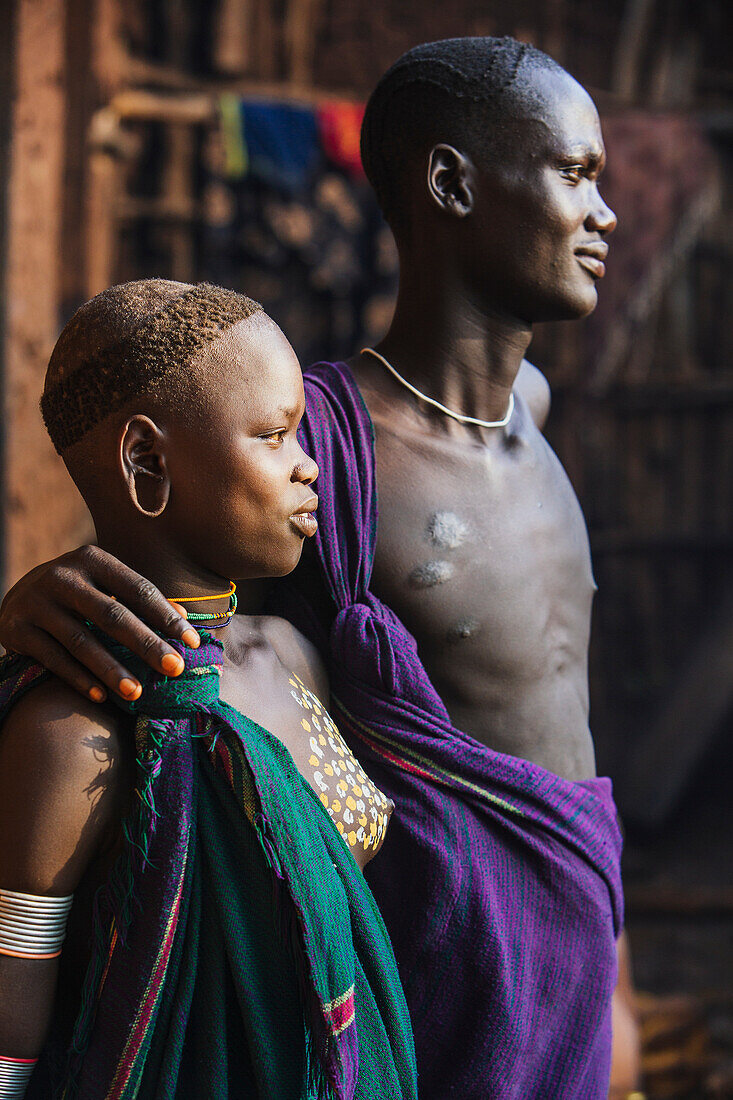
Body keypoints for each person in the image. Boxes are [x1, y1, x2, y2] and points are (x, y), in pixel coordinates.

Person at [0, 38, 630, 1098]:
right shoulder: (335, 445)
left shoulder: (540, 414)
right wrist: (34, 600)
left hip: (571, 942)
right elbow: (181, 597)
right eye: (575, 174)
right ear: (450, 185)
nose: (604, 212)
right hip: (428, 988)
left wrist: (611, 945)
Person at [0, 280, 417, 1099]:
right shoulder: (74, 729)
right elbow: (8, 1041)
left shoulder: (291, 655)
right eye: (274, 434)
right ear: (147, 462)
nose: (309, 466)